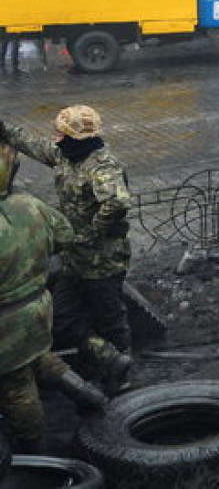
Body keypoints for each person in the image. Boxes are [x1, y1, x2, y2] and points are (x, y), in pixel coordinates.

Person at [0, 106, 133, 395]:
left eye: (61, 132)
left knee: (110, 319)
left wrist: (92, 231)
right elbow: (33, 145)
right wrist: (5, 129)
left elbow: (119, 202)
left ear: (77, 137)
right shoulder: (65, 155)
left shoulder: (101, 166)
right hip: (74, 260)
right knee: (62, 318)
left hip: (102, 261)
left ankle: (122, 376)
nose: (55, 137)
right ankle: (108, 358)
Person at [0, 144, 111, 453]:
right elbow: (65, 238)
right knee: (36, 357)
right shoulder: (29, 205)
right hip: (36, 309)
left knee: (15, 388)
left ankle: (34, 452)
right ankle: (91, 397)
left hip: (4, 322)